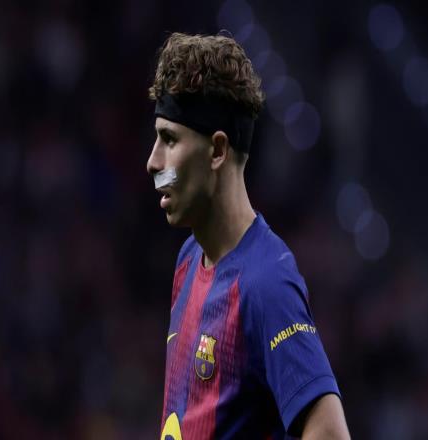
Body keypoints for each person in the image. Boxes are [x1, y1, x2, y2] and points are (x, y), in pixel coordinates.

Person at [146, 32, 350, 439]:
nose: (153, 162)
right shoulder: (189, 258)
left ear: (217, 151)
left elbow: (329, 431)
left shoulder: (265, 283)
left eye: (169, 139)